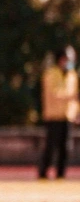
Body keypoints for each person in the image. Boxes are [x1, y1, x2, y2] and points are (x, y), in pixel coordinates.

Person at [39, 46, 78, 180]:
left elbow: (76, 98)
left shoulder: (72, 75)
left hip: (67, 116)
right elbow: (53, 94)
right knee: (51, 147)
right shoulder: (51, 74)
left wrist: (77, 112)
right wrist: (70, 97)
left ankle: (61, 175)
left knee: (65, 148)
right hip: (53, 116)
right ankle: (43, 174)